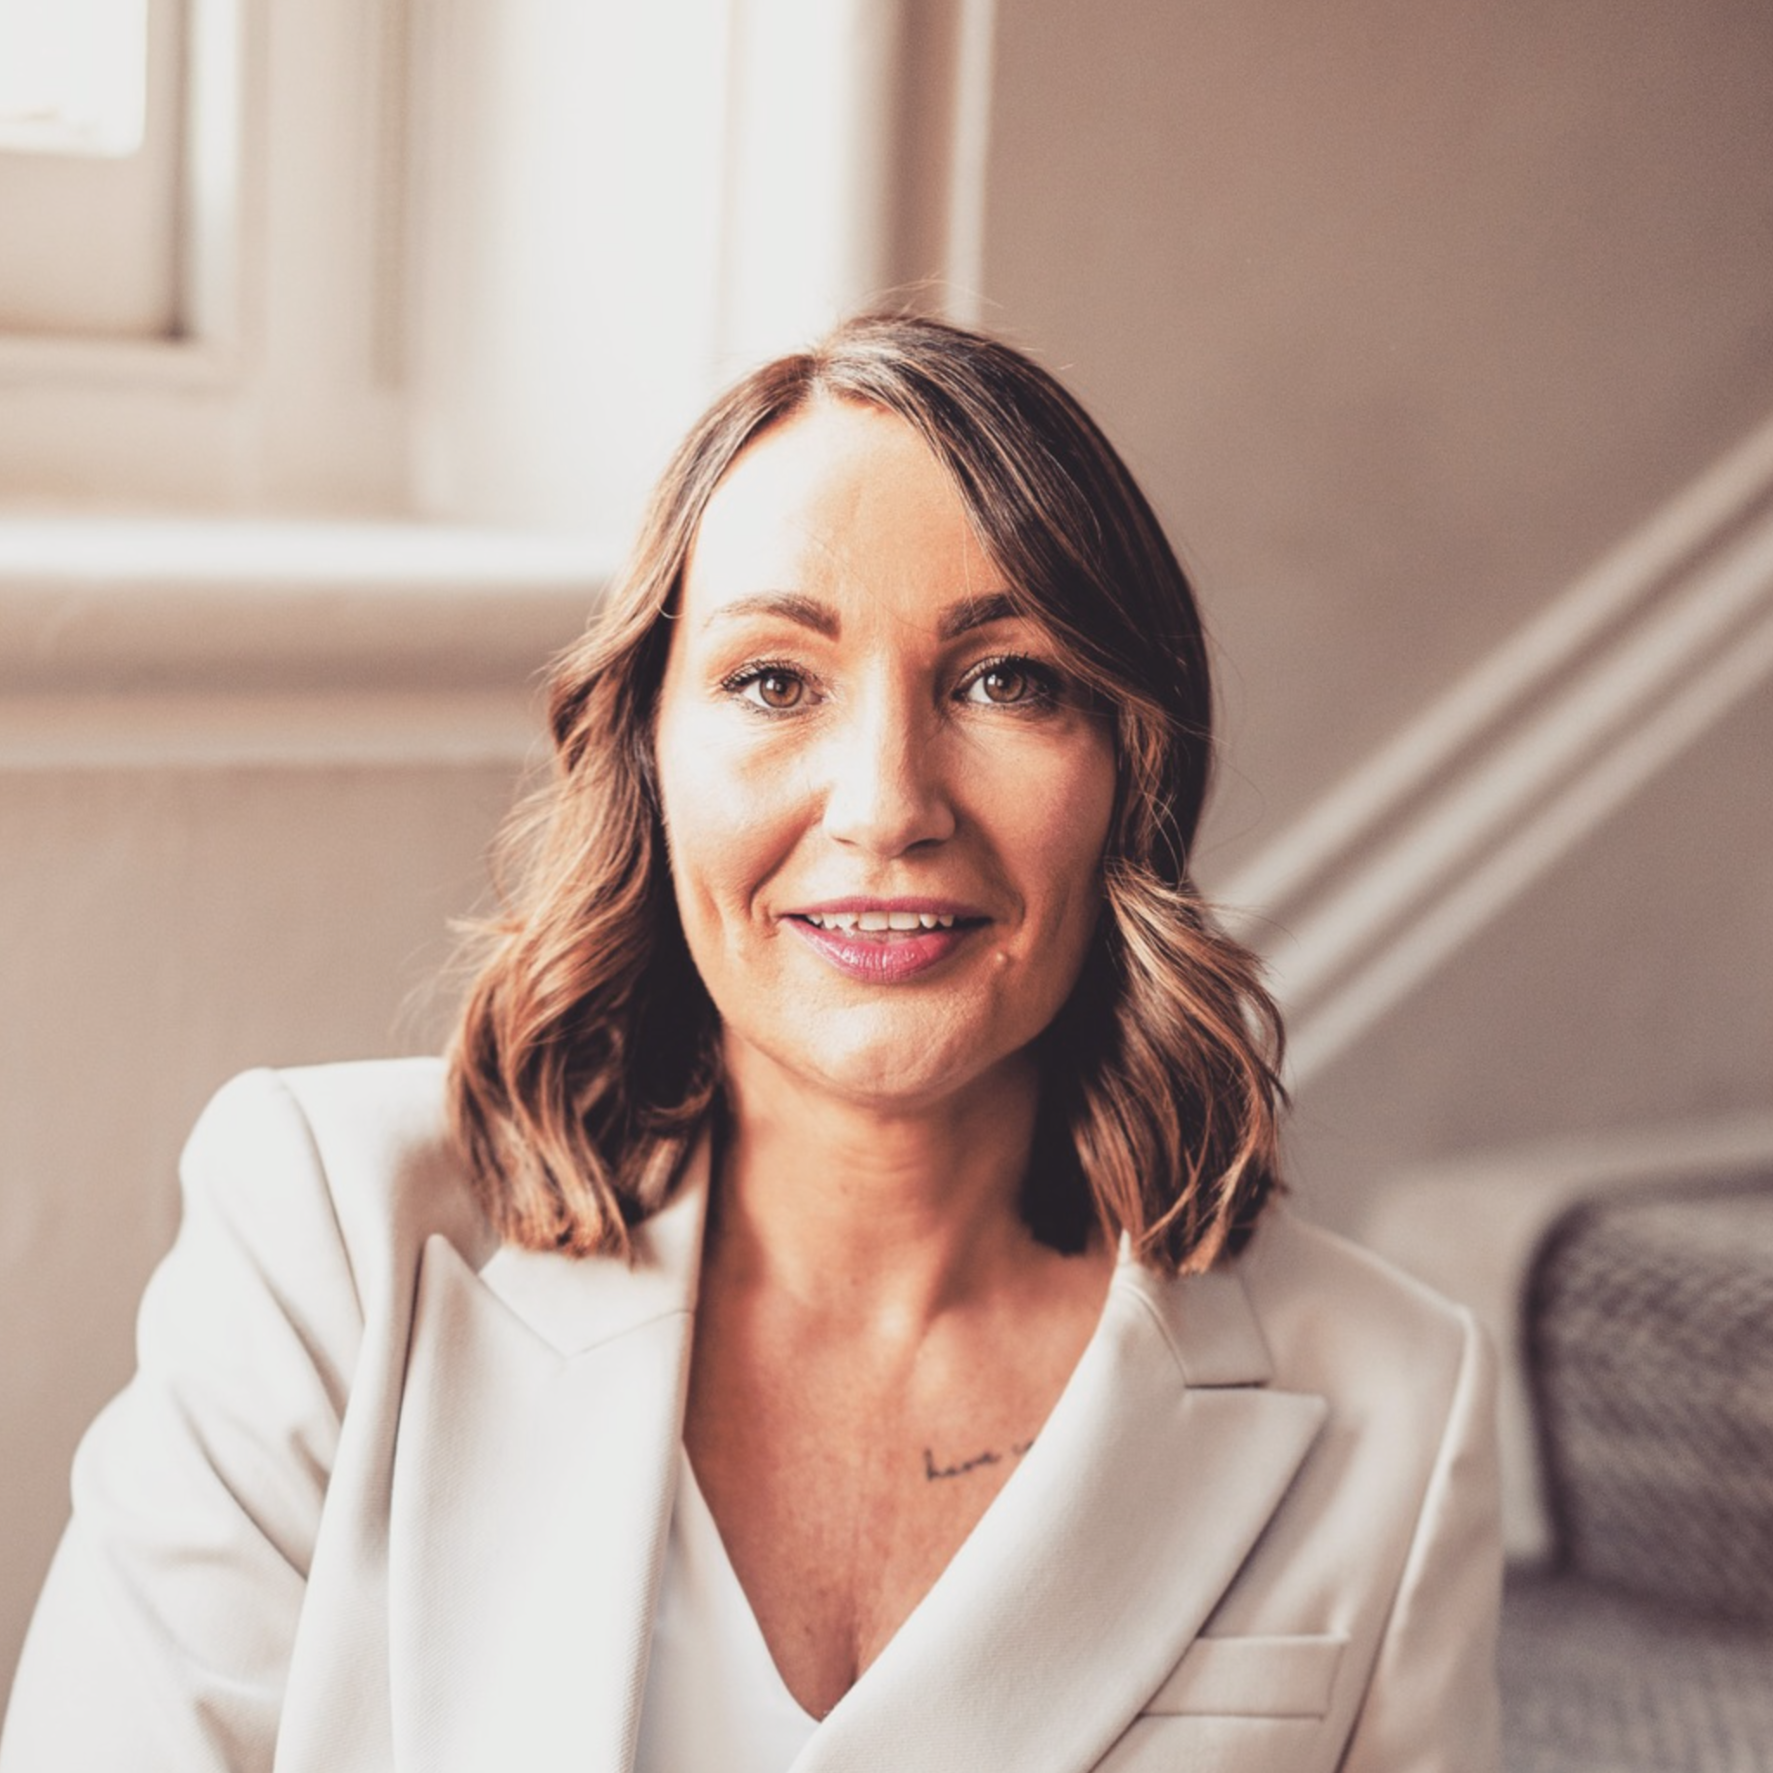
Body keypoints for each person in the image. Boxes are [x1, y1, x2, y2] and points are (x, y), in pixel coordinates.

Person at [0, 313, 1502, 1773]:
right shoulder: (328, 1241)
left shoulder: (1394, 1401)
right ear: (648, 755)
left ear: (1133, 768)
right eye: (775, 681)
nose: (886, 803)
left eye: (1006, 680)